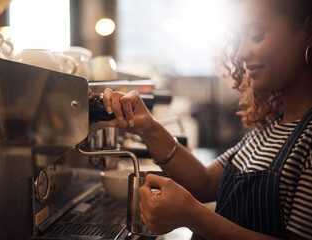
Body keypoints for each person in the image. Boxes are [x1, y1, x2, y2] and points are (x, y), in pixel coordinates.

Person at [101, 0, 312, 239]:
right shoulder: (270, 130)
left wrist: (194, 217)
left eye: (256, 35)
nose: (241, 53)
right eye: (240, 39)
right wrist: (148, 127)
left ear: (308, 33)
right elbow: (204, 181)